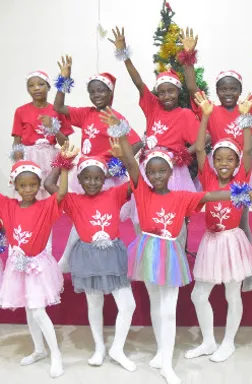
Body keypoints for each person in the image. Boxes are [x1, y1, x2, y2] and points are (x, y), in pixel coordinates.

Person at [107, 105, 252, 384]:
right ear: (146, 174)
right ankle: (161, 351)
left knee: (168, 309)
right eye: (151, 172)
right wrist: (121, 133)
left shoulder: (181, 196)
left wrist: (243, 192)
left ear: (171, 173)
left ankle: (168, 363)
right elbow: (132, 162)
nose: (156, 176)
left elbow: (211, 196)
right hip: (146, 251)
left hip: (169, 254)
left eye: (161, 172)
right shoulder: (140, 190)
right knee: (157, 304)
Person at [179, 26, 252, 292]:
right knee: (217, 218)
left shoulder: (248, 108)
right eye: (223, 88)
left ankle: (245, 270)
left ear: (240, 90)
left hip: (242, 169)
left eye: (233, 88)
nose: (228, 92)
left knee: (241, 220)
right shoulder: (211, 109)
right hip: (215, 168)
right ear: (218, 91)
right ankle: (217, 264)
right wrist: (188, 56)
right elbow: (190, 87)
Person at [44, 146, 136, 371]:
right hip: (88, 257)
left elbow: (136, 180)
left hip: (112, 256)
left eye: (97, 178)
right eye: (87, 178)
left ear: (104, 179)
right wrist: (62, 161)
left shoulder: (114, 194)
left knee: (128, 304)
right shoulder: (73, 200)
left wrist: (123, 154)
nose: (93, 183)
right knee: (94, 303)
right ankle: (99, 347)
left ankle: (117, 348)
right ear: (80, 180)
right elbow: (48, 185)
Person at [185, 92, 252, 363]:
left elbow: (249, 149)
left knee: (232, 292)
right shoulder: (208, 175)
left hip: (232, 241)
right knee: (198, 294)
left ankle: (228, 342)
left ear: (237, 163)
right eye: (220, 160)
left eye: (230, 160)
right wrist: (205, 116)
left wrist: (245, 119)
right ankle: (208, 341)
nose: (224, 164)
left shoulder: (241, 177)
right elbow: (201, 148)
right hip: (211, 240)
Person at [52, 55, 144, 277]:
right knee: (82, 217)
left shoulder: (115, 117)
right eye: (92, 91)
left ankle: (115, 260)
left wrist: (117, 162)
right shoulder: (85, 114)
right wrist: (64, 79)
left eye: (101, 91)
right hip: (86, 175)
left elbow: (137, 142)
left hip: (105, 178)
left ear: (111, 93)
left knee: (100, 220)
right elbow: (58, 106)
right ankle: (68, 258)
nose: (96, 95)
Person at [109, 26, 200, 249]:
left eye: (171, 91)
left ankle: (178, 253)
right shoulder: (152, 107)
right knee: (144, 211)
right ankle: (147, 252)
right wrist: (125, 56)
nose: (166, 96)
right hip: (149, 168)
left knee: (175, 215)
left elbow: (202, 140)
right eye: (162, 92)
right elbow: (139, 83)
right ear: (157, 94)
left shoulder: (185, 114)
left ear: (179, 92)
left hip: (173, 171)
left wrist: (183, 154)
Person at [0, 144, 78, 378]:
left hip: (37, 266)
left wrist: (64, 167)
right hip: (17, 265)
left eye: (33, 185)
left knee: (37, 309)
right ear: (15, 185)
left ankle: (55, 354)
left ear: (38, 185)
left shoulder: (46, 206)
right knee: (28, 308)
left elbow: (62, 194)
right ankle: (39, 349)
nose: (28, 189)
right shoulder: (8, 206)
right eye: (23, 185)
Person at [10, 70, 73, 200]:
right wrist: (20, 162)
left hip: (50, 156)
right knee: (31, 192)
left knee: (51, 193)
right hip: (29, 156)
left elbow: (65, 143)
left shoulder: (57, 110)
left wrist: (53, 127)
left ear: (48, 86)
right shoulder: (21, 111)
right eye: (31, 86)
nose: (36, 88)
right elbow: (17, 141)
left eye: (41, 84)